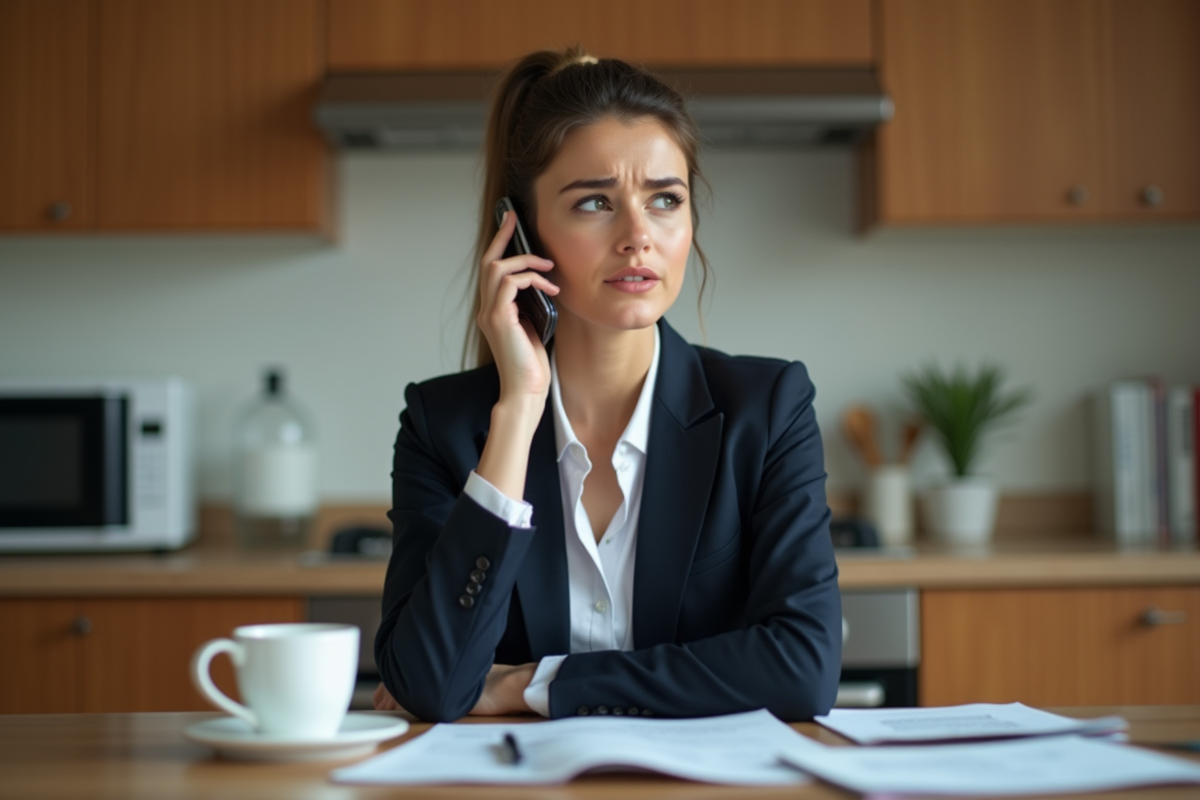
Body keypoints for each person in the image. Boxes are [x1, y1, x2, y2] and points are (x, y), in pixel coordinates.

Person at [373, 48, 841, 722]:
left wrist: (535, 684)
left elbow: (801, 670)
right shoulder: (441, 425)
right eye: (595, 201)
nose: (638, 236)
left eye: (665, 200)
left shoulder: (767, 410)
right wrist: (519, 409)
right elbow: (430, 687)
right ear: (523, 234)